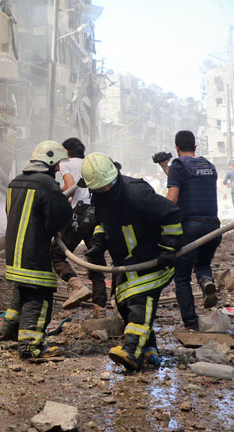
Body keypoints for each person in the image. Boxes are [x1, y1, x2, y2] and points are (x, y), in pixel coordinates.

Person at [82, 153, 181, 371]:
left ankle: (131, 352)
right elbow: (102, 222)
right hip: (125, 262)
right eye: (101, 188)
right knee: (124, 303)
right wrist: (98, 242)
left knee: (139, 303)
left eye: (110, 185)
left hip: (150, 258)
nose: (107, 190)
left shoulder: (137, 192)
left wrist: (168, 248)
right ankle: (149, 349)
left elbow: (171, 214)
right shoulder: (99, 197)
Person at [0, 141, 73, 361]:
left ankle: (9, 329)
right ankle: (30, 347)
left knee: (22, 291)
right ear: (49, 161)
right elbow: (60, 217)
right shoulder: (46, 185)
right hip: (33, 251)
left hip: (14, 252)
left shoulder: (14, 183)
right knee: (39, 297)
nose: (58, 169)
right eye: (57, 164)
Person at [155, 130, 221, 327]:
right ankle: (206, 281)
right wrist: (165, 166)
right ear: (195, 147)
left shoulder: (179, 165)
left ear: (176, 148)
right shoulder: (208, 165)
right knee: (202, 264)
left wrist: (156, 212)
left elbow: (174, 197)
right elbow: (189, 184)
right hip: (214, 226)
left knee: (182, 277)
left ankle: (191, 323)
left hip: (191, 226)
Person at [51, 137, 105, 309]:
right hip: (95, 214)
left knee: (57, 254)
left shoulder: (66, 163)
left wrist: (59, 208)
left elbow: (69, 187)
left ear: (66, 152)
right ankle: (100, 309)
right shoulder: (89, 163)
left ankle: (77, 286)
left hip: (78, 214)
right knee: (95, 260)